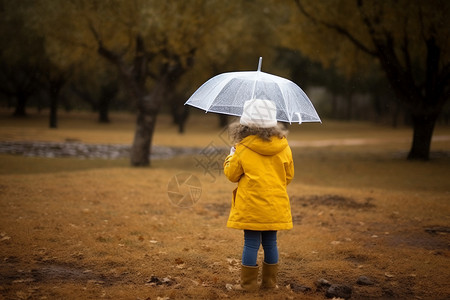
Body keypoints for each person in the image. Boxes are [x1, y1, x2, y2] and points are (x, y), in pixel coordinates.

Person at [223, 99, 294, 291]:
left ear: (245, 124)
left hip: (252, 206)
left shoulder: (243, 148)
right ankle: (270, 284)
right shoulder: (284, 146)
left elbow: (231, 175)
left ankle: (248, 286)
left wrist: (231, 155)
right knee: (271, 243)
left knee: (251, 243)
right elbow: (288, 176)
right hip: (275, 205)